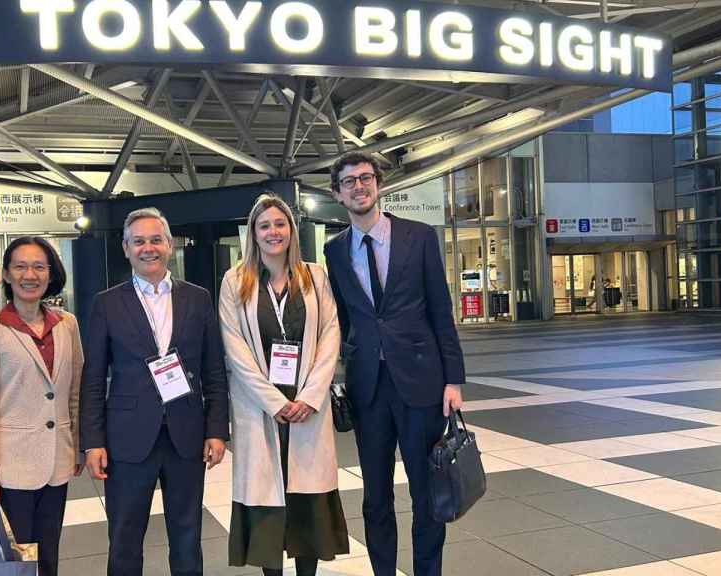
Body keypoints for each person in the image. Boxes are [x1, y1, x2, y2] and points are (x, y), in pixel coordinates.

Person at [323, 152, 466, 576]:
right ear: (338, 194)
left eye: (365, 178)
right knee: (375, 497)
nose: (358, 187)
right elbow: (345, 321)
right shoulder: (334, 251)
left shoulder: (417, 237)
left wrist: (453, 378)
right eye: (348, 182)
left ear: (378, 184)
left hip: (422, 384)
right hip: (368, 389)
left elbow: (441, 309)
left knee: (426, 495)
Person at [80, 207, 230, 576]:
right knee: (125, 538)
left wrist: (216, 430)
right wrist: (92, 440)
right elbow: (94, 377)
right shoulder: (106, 303)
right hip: (127, 438)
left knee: (187, 536)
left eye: (156, 240)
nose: (149, 248)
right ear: (126, 248)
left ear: (170, 244)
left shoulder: (198, 298)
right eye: (139, 241)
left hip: (187, 435)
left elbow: (214, 370)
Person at [219, 195, 349, 576]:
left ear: (292, 230)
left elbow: (330, 335)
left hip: (307, 406)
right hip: (260, 408)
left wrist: (310, 396)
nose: (273, 232)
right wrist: (274, 401)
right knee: (266, 500)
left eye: (280, 224)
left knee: (307, 501)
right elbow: (234, 346)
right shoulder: (235, 281)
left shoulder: (315, 276)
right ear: (253, 234)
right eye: (264, 226)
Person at [0, 236, 83, 576]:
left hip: (56, 461)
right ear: (6, 274)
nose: (29, 274)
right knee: (16, 559)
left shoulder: (67, 325)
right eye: (20, 266)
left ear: (50, 274)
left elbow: (74, 392)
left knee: (48, 555)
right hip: (10, 466)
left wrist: (76, 448)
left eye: (38, 266)